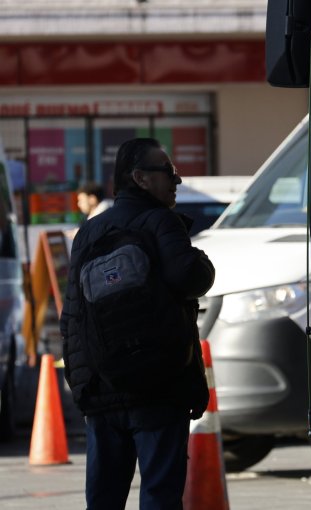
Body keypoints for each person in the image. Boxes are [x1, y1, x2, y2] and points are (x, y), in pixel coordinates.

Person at [60, 138, 215, 510]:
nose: (176, 180)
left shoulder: (90, 232)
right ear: (141, 178)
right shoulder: (160, 221)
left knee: (103, 498)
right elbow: (192, 277)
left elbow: (73, 316)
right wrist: (202, 258)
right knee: (160, 494)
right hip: (158, 388)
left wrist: (83, 386)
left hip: (102, 389)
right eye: (168, 172)